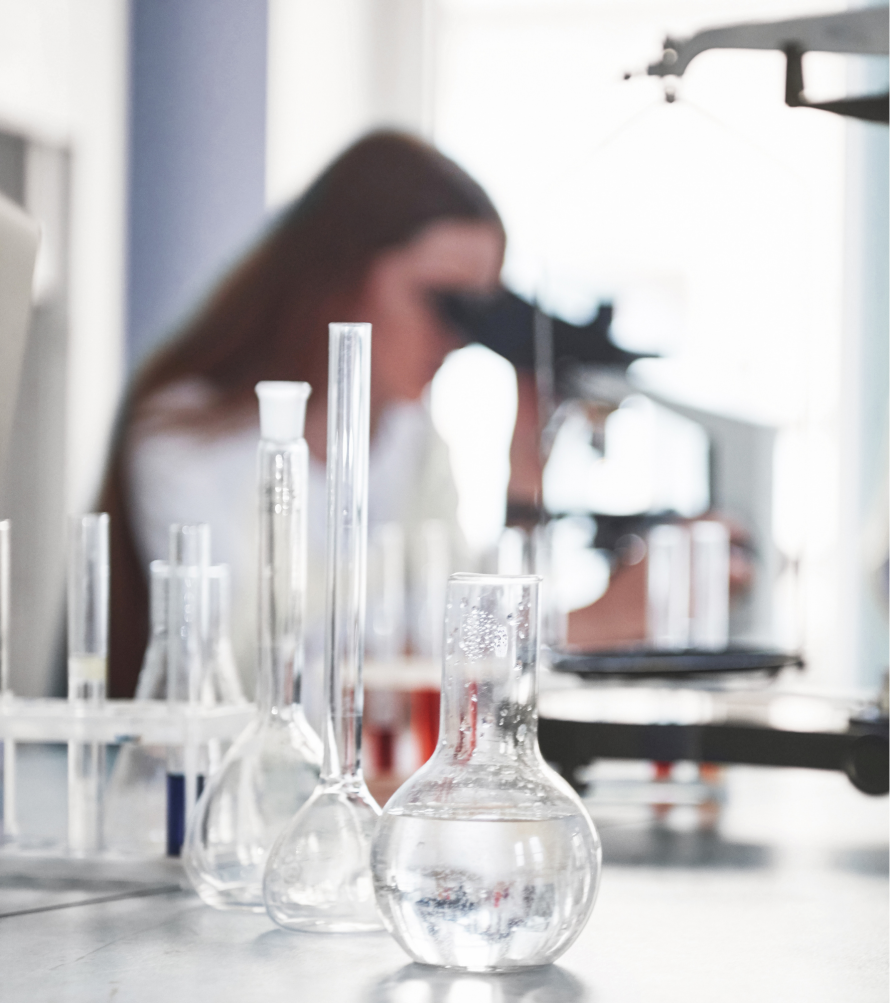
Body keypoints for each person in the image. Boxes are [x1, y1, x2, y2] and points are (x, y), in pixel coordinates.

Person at [100, 131, 505, 700]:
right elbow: (241, 670)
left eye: (479, 311)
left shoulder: (414, 441)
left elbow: (474, 644)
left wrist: (527, 477)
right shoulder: (185, 433)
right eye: (445, 301)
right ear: (344, 270)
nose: (460, 338)